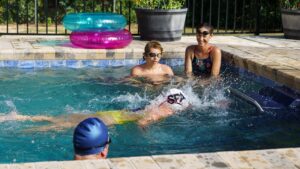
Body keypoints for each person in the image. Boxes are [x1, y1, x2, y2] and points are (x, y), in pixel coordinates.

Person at [0, 88, 190, 130]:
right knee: (59, 127)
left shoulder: (156, 103)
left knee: (56, 118)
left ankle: (19, 117)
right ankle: (25, 131)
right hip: (108, 121)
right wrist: (146, 133)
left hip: (107, 114)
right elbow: (142, 122)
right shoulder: (165, 111)